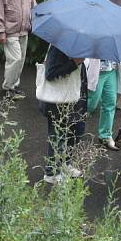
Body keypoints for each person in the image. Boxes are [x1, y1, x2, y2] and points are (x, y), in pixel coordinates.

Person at [39, 45, 86, 184]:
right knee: (57, 136)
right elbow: (50, 73)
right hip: (57, 102)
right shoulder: (58, 46)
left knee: (73, 133)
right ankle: (52, 173)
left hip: (73, 98)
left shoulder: (81, 47)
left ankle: (65, 164)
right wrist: (74, 63)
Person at [85, 57, 121, 151]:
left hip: (112, 69)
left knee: (110, 103)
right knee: (90, 104)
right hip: (96, 69)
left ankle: (105, 136)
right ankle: (71, 127)